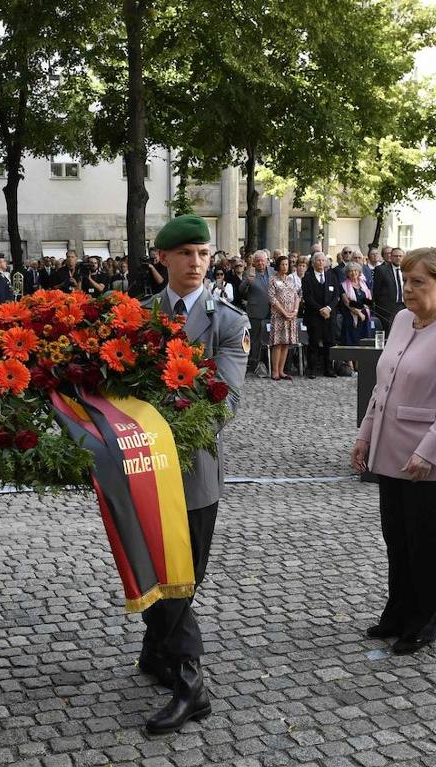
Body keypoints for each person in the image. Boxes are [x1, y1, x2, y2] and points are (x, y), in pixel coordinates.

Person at [140, 214, 249, 734]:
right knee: (153, 565)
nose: (196, 263)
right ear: (163, 258)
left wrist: (154, 420)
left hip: (194, 469)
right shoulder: (137, 316)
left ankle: (183, 677)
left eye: (203, 254)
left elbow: (221, 402)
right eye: (185, 254)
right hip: (139, 469)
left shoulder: (228, 322)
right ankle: (173, 665)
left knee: (184, 574)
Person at [350, 246, 436, 656]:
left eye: (417, 282)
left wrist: (429, 451)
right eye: (405, 281)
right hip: (392, 452)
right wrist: (364, 435)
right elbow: (382, 386)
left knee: (426, 543)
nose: (407, 289)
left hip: (434, 460)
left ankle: (423, 622)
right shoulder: (404, 320)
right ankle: (397, 612)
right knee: (398, 539)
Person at [238, 251, 272, 376]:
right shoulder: (249, 273)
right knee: (254, 340)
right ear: (254, 262)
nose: (260, 263)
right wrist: (247, 281)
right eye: (257, 261)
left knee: (270, 339)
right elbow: (241, 291)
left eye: (262, 260)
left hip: (272, 311)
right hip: (255, 311)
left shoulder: (273, 272)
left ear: (267, 260)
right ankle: (252, 363)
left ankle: (268, 363)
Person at [268, 255, 300, 380]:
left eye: (287, 264)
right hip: (278, 316)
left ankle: (281, 371)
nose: (285, 266)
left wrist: (295, 311)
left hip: (290, 316)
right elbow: (272, 298)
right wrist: (283, 312)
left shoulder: (291, 280)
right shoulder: (273, 279)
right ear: (278, 265)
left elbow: (297, 296)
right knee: (278, 343)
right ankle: (275, 371)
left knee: (286, 343)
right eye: (282, 264)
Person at [371, 247, 406, 333]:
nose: (398, 258)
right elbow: (376, 291)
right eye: (395, 256)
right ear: (391, 257)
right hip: (387, 308)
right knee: (389, 332)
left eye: (400, 256)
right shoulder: (381, 270)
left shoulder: (407, 270)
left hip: (404, 305)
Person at [339, 261, 373, 346]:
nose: (353, 273)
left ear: (359, 272)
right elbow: (347, 302)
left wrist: (366, 306)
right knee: (352, 343)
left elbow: (368, 300)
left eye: (355, 270)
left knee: (364, 343)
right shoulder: (343, 285)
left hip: (365, 317)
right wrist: (359, 312)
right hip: (351, 318)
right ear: (347, 273)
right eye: (351, 271)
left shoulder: (363, 284)